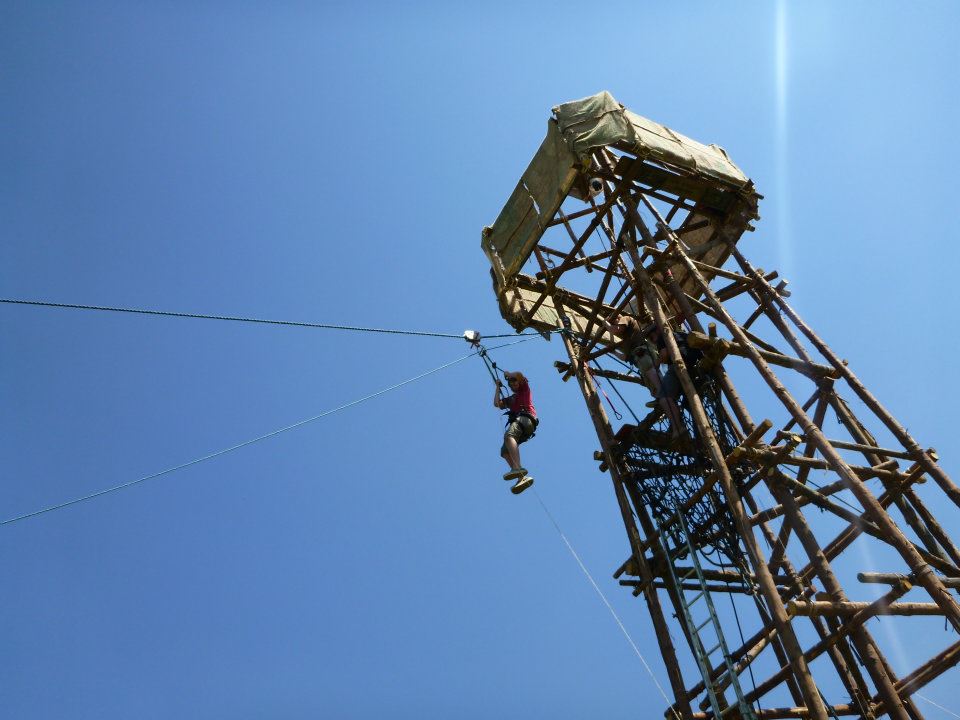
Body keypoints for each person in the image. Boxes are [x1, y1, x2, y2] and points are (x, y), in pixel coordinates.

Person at [604, 315, 686, 440]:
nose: (615, 324)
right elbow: (625, 358)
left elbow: (616, 330)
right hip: (638, 358)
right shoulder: (627, 340)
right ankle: (661, 397)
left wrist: (606, 324)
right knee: (652, 383)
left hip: (643, 354)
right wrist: (614, 352)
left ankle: (662, 395)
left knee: (654, 378)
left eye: (615, 321)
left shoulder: (626, 319)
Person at [494, 370, 537, 495]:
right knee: (504, 451)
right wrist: (497, 387)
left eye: (515, 383)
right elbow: (497, 403)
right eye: (511, 385)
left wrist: (508, 373)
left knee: (509, 435)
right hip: (523, 427)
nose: (513, 386)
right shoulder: (511, 398)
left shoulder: (524, 389)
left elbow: (518, 374)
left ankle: (518, 468)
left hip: (526, 419)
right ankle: (520, 477)